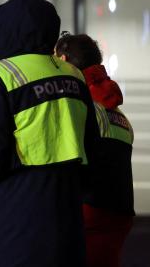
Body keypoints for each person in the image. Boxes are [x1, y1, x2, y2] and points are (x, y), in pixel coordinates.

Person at [0, 0, 99, 267]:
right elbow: (92, 145)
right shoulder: (74, 76)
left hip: (15, 219)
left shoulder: (2, 75)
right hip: (66, 218)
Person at [54, 33, 134, 267]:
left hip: (89, 213)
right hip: (119, 214)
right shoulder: (118, 114)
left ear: (65, 59)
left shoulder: (81, 106)